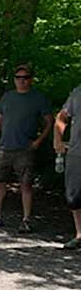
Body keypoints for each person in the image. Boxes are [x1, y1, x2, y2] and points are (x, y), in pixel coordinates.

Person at [0, 63, 53, 233]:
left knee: (26, 184)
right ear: (14, 80)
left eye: (26, 78)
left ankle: (26, 219)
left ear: (31, 80)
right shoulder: (7, 97)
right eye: (18, 78)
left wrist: (38, 141)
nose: (22, 81)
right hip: (4, 147)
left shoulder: (38, 98)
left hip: (25, 148)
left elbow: (50, 121)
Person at [54, 87, 81, 249]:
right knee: (74, 196)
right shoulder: (78, 92)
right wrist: (58, 139)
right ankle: (79, 235)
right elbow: (62, 116)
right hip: (76, 152)